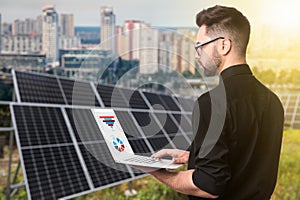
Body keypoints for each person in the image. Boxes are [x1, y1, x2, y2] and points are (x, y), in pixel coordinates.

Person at [134, 5, 284, 200]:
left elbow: (209, 185)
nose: (197, 54)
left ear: (224, 45)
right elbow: (245, 156)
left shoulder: (211, 103)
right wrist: (193, 155)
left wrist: (156, 172)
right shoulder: (272, 101)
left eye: (200, 46)